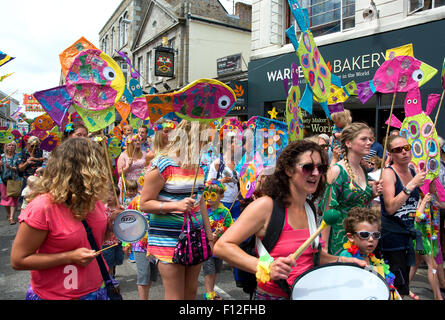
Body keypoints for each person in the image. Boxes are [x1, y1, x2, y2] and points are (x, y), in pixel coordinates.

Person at [213, 140, 367, 300]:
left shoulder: (309, 208)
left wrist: (343, 261)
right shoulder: (266, 206)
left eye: (320, 168)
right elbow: (222, 246)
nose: (316, 173)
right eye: (308, 167)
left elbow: (310, 256)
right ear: (288, 170)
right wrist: (265, 267)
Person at [10, 138, 113, 300]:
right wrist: (69, 257)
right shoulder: (42, 207)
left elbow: (92, 240)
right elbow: (18, 260)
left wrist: (113, 226)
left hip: (96, 289)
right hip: (55, 295)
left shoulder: (95, 200)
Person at [139, 120, 213, 300]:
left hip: (194, 237)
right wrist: (175, 206)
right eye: (204, 140)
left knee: (191, 293)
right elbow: (145, 203)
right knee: (175, 296)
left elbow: (200, 201)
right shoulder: (163, 165)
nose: (207, 144)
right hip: (168, 240)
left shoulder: (198, 165)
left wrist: (209, 236)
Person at [319, 122, 382, 256]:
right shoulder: (336, 171)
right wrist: (324, 250)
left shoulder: (362, 169)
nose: (369, 142)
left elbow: (359, 205)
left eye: (370, 139)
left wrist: (372, 194)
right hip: (340, 241)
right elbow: (328, 212)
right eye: (363, 139)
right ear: (348, 143)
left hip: (362, 239)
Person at [379, 134, 427, 299]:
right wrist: (411, 184)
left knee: (404, 284)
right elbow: (391, 207)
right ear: (391, 154)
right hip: (391, 239)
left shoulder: (413, 171)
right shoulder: (388, 173)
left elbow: (411, 205)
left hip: (407, 236)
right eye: (398, 150)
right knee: (393, 286)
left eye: (406, 148)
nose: (404, 152)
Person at [339, 206, 400, 299]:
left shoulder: (372, 258)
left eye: (376, 235)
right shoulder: (347, 256)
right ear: (351, 237)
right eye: (364, 235)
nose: (371, 239)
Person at [409, 186, 445, 300]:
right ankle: (438, 297)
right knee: (432, 265)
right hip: (421, 238)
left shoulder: (432, 198)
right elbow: (417, 218)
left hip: (429, 236)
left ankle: (402, 288)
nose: (436, 187)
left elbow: (442, 205)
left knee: (415, 264)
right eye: (433, 185)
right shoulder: (419, 197)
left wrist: (437, 200)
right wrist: (424, 201)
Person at [202, 180, 233, 300]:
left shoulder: (225, 212)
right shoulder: (204, 210)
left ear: (221, 196)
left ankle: (212, 292)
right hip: (207, 246)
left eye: (213, 195)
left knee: (215, 270)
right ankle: (209, 294)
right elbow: (199, 226)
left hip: (219, 247)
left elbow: (230, 227)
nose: (209, 198)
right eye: (206, 195)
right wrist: (209, 235)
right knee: (208, 271)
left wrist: (222, 230)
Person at [127, 194, 159, 300]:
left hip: (155, 243)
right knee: (144, 274)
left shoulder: (160, 199)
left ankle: (146, 296)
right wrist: (126, 242)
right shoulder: (136, 200)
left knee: (150, 275)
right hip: (140, 244)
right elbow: (126, 221)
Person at [207, 132, 241, 221]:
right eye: (237, 143)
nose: (239, 146)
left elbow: (238, 182)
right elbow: (208, 185)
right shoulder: (217, 163)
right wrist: (222, 181)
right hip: (221, 203)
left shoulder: (238, 162)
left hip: (235, 203)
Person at [102, 185, 124, 278]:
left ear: (117, 196)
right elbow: (107, 228)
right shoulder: (104, 209)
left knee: (116, 261)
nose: (108, 197)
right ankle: (110, 282)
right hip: (107, 242)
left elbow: (124, 226)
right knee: (108, 264)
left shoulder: (121, 209)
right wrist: (111, 219)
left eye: (111, 195)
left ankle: (112, 276)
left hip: (118, 241)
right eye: (106, 194)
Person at [0, 141, 21, 224]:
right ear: (6, 147)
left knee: (13, 197)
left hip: (14, 179)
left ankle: (12, 217)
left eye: (13, 145)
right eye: (9, 145)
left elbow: (19, 168)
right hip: (3, 180)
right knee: (5, 198)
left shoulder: (17, 156)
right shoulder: (1, 157)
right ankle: (9, 214)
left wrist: (11, 168)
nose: (11, 147)